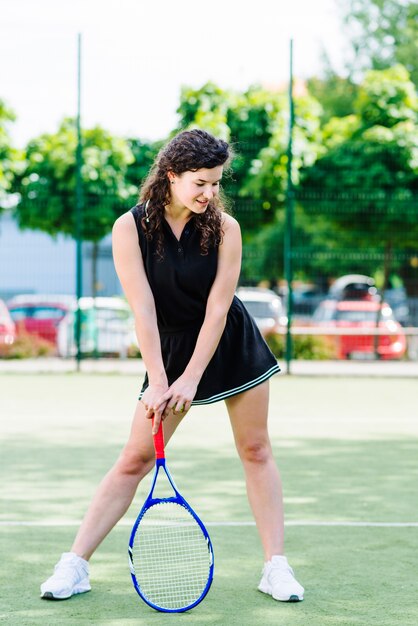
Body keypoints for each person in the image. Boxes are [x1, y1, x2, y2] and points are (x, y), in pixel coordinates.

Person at [40, 129, 304, 604]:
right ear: (171, 175)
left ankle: (276, 568)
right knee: (134, 460)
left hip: (228, 343)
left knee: (257, 450)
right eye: (200, 182)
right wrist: (159, 382)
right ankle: (74, 565)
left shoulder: (226, 228)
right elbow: (142, 309)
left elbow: (219, 310)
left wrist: (191, 378)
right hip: (167, 349)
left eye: (217, 183)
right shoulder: (130, 227)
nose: (210, 193)